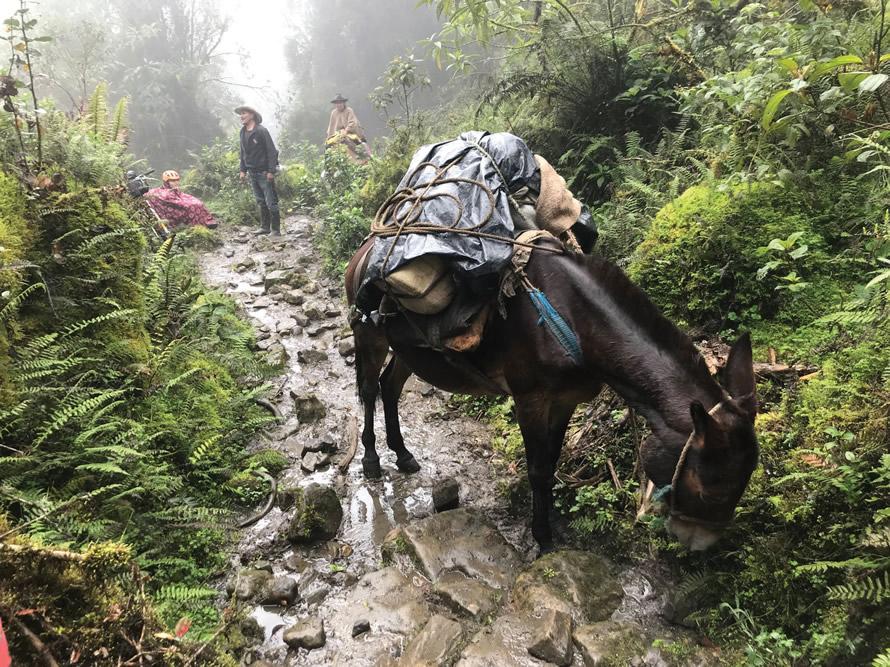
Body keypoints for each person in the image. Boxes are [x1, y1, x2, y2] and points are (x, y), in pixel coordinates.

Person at [235, 105, 281, 236]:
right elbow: (243, 152)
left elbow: (271, 151)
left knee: (271, 202)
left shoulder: (261, 131)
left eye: (244, 113)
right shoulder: (243, 131)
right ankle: (265, 227)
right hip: (252, 172)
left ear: (252, 115)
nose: (241, 116)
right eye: (241, 114)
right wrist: (242, 170)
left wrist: (271, 170)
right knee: (260, 201)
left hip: (264, 173)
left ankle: (276, 230)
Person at [144, 170, 218, 229]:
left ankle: (207, 221)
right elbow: (172, 201)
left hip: (179, 198)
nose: (176, 182)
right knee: (192, 206)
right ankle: (197, 225)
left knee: (198, 203)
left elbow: (180, 195)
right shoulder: (164, 193)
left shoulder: (174, 190)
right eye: (173, 181)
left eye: (177, 180)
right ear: (166, 182)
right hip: (174, 207)